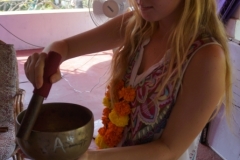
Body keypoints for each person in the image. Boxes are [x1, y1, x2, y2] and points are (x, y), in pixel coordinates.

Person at [23, 0, 232, 159]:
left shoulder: (206, 58)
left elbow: (168, 149)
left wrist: (87, 157)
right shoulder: (137, 26)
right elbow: (64, 46)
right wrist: (47, 59)